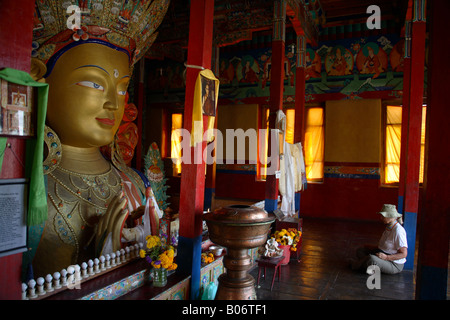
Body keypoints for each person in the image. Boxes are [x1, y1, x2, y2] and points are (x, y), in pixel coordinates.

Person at [29, 0, 170, 277]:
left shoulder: (136, 183)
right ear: (39, 79)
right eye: (94, 83)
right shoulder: (27, 188)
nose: (112, 104)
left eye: (120, 89)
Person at [350, 204, 408, 275]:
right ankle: (366, 265)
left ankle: (356, 265)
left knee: (372, 259)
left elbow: (404, 254)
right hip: (382, 253)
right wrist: (372, 248)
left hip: (393, 264)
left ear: (390, 217)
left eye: (383, 216)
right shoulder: (389, 227)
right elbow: (385, 246)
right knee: (360, 250)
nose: (381, 218)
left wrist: (386, 257)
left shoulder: (398, 231)